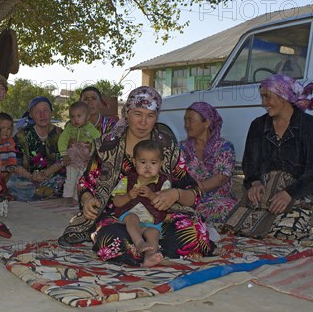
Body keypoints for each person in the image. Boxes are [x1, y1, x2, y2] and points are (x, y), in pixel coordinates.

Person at [59, 86, 213, 266]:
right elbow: (86, 182)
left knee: (194, 233)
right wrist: (87, 200)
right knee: (110, 236)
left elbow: (192, 189)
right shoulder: (107, 146)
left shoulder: (168, 147)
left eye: (150, 116)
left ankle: (146, 250)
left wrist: (175, 194)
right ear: (126, 113)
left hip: (160, 217)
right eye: (137, 114)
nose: (143, 122)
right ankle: (151, 250)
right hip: (118, 216)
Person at [228, 74, 313, 240]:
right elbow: (250, 163)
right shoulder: (258, 125)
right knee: (235, 227)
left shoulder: (310, 125)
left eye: (267, 97)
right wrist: (255, 182)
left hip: (298, 194)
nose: (263, 103)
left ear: (284, 97)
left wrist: (289, 193)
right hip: (263, 193)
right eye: (262, 97)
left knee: (282, 233)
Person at [111, 140, 171, 267]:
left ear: (161, 163)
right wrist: (128, 196)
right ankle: (139, 243)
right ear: (134, 162)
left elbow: (164, 204)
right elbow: (116, 202)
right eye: (143, 162)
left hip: (151, 221)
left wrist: (151, 195)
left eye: (153, 163)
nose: (148, 167)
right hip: (130, 219)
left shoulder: (163, 182)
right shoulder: (127, 180)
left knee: (153, 235)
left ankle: (149, 258)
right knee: (132, 217)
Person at [179, 102, 237, 224]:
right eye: (185, 120)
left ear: (206, 123)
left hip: (216, 199)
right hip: (187, 199)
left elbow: (221, 178)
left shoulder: (224, 147)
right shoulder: (181, 148)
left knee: (224, 208)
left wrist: (193, 191)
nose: (187, 125)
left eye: (191, 120)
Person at [7, 97, 65, 201]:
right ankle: (41, 195)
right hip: (28, 178)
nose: (42, 115)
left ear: (51, 112)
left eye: (45, 110)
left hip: (52, 178)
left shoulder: (60, 134)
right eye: (37, 112)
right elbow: (15, 162)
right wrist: (30, 176)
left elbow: (64, 159)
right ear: (31, 114)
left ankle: (38, 195)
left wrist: (46, 173)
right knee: (12, 182)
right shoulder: (22, 135)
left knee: (65, 180)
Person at [58, 101, 101, 202]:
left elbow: (98, 141)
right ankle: (67, 197)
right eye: (72, 117)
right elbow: (62, 140)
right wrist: (64, 154)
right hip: (72, 158)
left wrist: (92, 157)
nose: (75, 119)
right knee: (70, 179)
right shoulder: (69, 128)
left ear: (88, 117)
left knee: (81, 179)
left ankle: (78, 199)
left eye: (79, 116)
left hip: (86, 159)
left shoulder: (91, 129)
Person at [0, 112, 18, 177]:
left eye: (9, 128)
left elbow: (12, 155)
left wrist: (11, 166)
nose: (5, 131)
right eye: (3, 128)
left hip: (8, 172)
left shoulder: (10, 142)